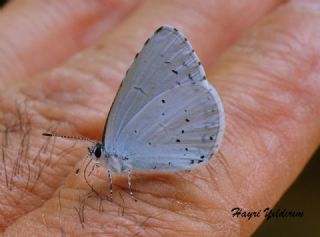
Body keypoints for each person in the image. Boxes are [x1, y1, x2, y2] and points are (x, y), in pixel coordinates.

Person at [0, 1, 319, 236]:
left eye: (96, 153)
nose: (92, 156)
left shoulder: (114, 147)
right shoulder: (111, 152)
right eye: (94, 153)